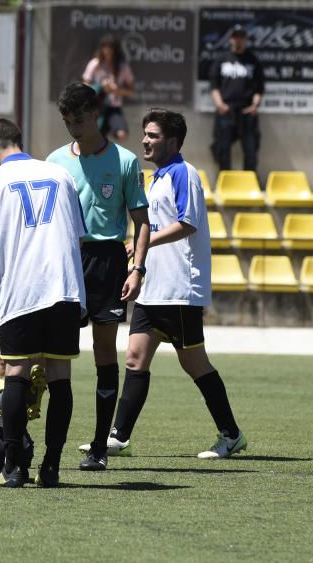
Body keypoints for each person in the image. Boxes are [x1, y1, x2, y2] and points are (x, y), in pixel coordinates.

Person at [104, 109, 248, 460]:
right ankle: (119, 437)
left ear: (172, 141)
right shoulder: (157, 179)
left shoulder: (185, 174)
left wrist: (145, 241)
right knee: (135, 359)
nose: (145, 141)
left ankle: (231, 435)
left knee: (194, 364)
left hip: (179, 289)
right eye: (145, 134)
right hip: (154, 288)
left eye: (152, 135)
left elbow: (187, 223)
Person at [0, 117, 87, 488]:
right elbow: (78, 235)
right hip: (65, 288)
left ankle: (14, 465)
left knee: (17, 373)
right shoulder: (60, 174)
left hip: (22, 290)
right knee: (60, 376)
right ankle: (51, 466)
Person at [48, 82, 150, 473]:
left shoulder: (124, 161)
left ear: (95, 114)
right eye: (67, 121)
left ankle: (99, 446)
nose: (73, 128)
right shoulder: (55, 161)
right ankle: (51, 445)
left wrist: (137, 267)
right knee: (57, 354)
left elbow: (142, 222)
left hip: (107, 261)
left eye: (78, 120)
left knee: (105, 352)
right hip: (67, 258)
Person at [209, 24, 265, 173]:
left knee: (251, 150)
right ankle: (225, 182)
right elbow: (214, 86)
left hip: (247, 111)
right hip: (226, 111)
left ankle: (250, 183)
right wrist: (219, 104)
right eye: (235, 37)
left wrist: (255, 106)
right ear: (231, 39)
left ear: (246, 39)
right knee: (223, 149)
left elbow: (259, 88)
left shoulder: (253, 60)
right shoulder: (222, 59)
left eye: (241, 37)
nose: (238, 40)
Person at [82, 34, 135, 143]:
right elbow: (84, 86)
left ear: (115, 49)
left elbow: (131, 90)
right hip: (97, 107)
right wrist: (100, 87)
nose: (107, 51)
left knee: (122, 134)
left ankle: (109, 139)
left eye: (110, 47)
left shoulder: (122, 66)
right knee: (93, 139)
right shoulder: (95, 64)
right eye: (104, 47)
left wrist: (117, 90)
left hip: (113, 108)